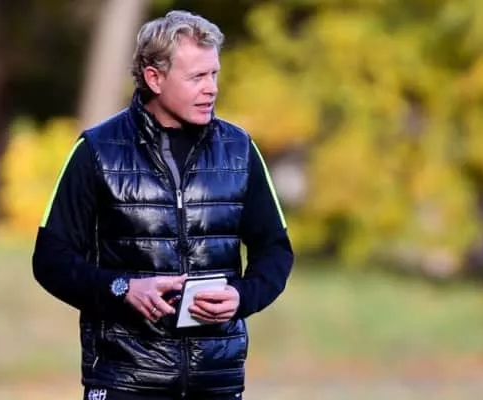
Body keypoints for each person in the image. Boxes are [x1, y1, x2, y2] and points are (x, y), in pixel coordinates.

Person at [32, 10, 294, 400]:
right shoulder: (96, 151)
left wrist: (243, 296)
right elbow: (50, 259)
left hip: (215, 384)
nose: (211, 89)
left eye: (214, 74)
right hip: (123, 382)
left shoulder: (240, 150)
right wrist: (122, 289)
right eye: (196, 77)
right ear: (154, 78)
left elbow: (275, 251)